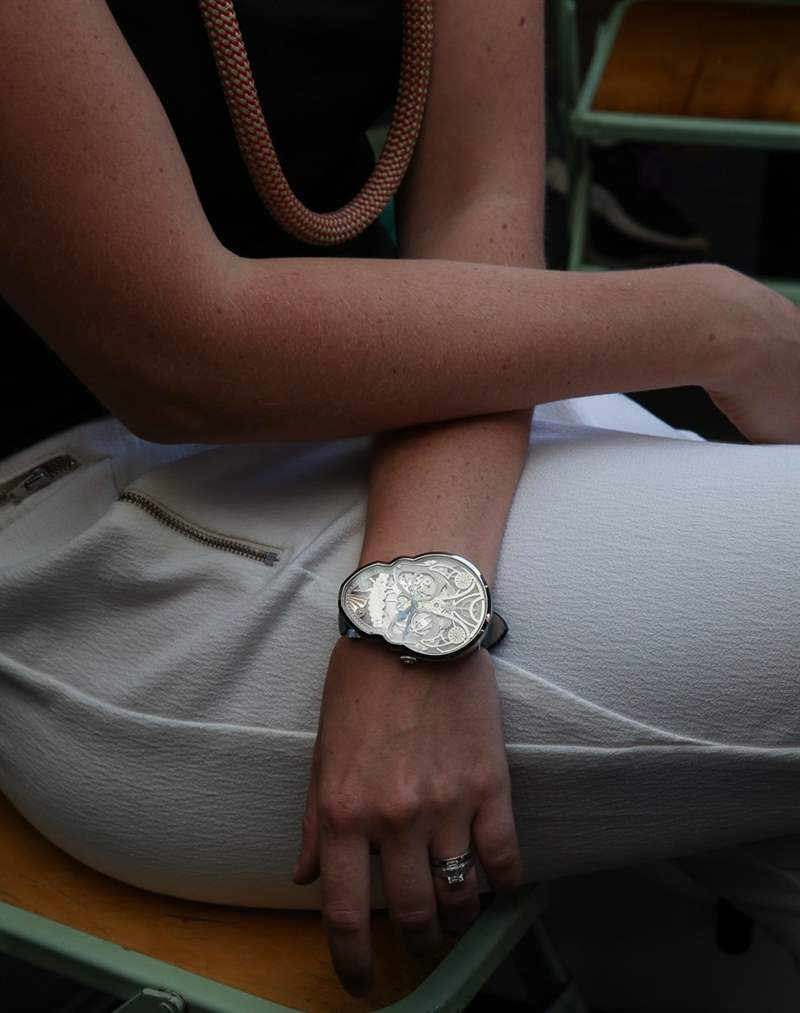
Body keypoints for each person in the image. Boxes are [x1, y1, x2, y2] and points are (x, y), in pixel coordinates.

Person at [1, 0, 800, 1003]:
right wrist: (717, 324)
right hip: (95, 518)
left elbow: (477, 213)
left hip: (418, 377)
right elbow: (173, 348)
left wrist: (416, 603)